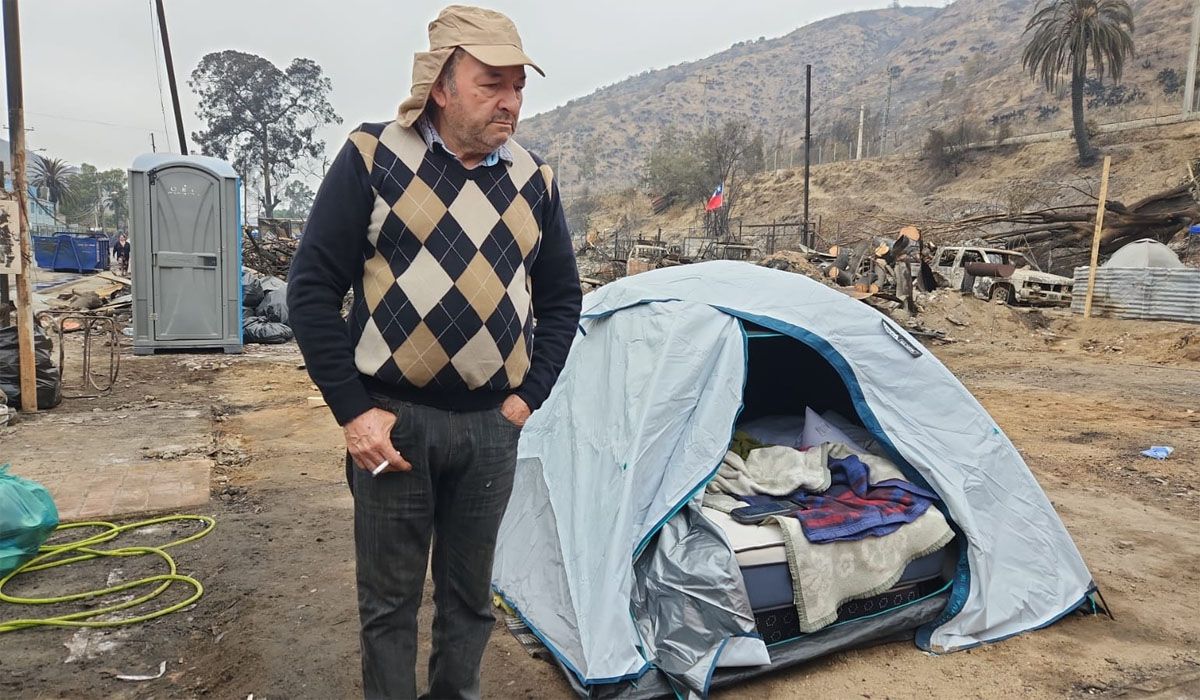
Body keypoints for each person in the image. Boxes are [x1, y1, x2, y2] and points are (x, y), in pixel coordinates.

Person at [286, 5, 581, 699]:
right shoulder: (373, 155)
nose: (509, 101)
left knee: (470, 603)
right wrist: (354, 413)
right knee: (388, 607)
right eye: (491, 83)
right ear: (442, 86)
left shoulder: (534, 179)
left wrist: (525, 398)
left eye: (518, 86)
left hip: (490, 429)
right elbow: (310, 291)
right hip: (395, 426)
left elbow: (563, 298)